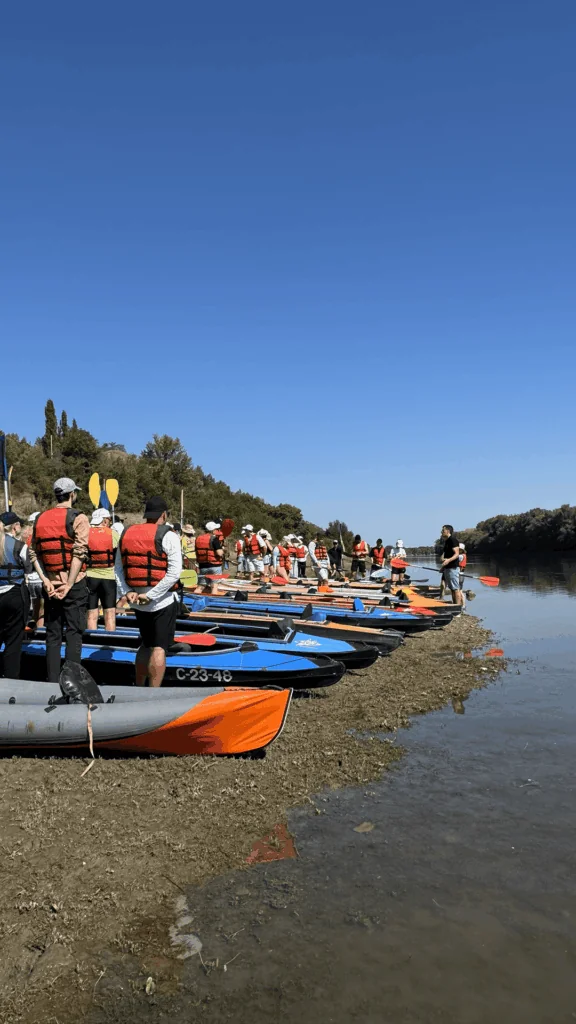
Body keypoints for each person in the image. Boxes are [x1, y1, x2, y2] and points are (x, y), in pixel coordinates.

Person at [116, 495, 182, 687]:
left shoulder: (127, 533)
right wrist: (151, 595)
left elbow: (118, 568)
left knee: (145, 644)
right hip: (161, 602)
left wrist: (126, 591)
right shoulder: (169, 535)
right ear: (164, 515)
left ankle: (138, 686)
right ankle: (153, 693)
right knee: (159, 648)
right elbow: (173, 574)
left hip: (136, 600)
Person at [30, 477, 90, 683]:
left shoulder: (40, 519)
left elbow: (34, 554)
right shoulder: (79, 518)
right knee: (74, 633)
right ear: (72, 494)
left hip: (52, 586)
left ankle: (52, 681)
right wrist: (70, 583)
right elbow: (79, 553)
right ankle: (72, 681)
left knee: (53, 634)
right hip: (74, 585)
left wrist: (45, 580)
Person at [0, 514, 34, 678]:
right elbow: (28, 569)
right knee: (13, 643)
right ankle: (11, 681)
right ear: (15, 527)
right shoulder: (20, 546)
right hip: (14, 595)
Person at [86, 507, 118, 631]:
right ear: (105, 521)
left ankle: (91, 640)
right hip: (108, 578)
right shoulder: (113, 534)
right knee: (109, 614)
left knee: (91, 614)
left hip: (90, 578)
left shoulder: (86, 533)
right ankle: (109, 640)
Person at [20, 515, 44, 625]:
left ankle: (35, 629)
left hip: (30, 577)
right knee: (42, 608)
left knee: (35, 606)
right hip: (41, 576)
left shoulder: (26, 540)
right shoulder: (42, 536)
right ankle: (40, 630)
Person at [440, 524, 463, 606]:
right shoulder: (447, 541)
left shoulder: (453, 540)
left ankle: (458, 609)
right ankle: (454, 606)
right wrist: (443, 567)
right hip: (448, 568)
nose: (441, 532)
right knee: (452, 589)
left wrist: (448, 560)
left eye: (443, 530)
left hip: (453, 568)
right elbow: (447, 555)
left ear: (448, 531)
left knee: (456, 589)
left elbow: (456, 554)